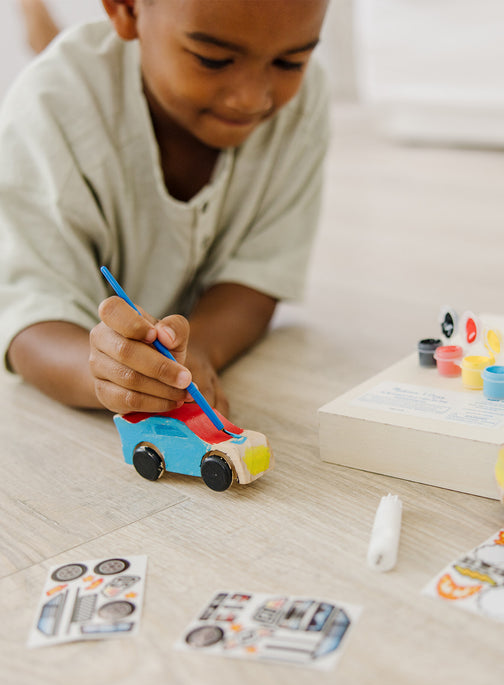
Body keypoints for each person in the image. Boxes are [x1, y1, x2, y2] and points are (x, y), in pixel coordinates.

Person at [0, 0, 330, 416]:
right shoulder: (45, 111)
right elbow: (29, 320)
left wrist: (199, 353)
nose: (251, 99)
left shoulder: (304, 103)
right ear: (126, 10)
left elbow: (257, 276)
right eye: (213, 59)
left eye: (290, 62)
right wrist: (109, 376)